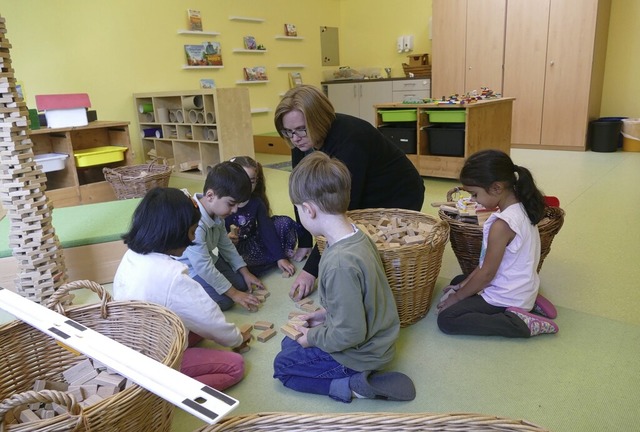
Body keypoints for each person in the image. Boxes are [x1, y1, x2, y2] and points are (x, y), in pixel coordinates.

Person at [273, 152, 416, 403]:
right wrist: (321, 316)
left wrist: (315, 337)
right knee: (291, 342)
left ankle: (354, 385)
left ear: (309, 210)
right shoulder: (355, 235)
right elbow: (359, 301)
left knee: (283, 366)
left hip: (360, 353)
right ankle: (350, 369)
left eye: (298, 210)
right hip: (372, 339)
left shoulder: (340, 263)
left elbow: (350, 333)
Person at [274, 85, 426, 301]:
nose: (295, 138)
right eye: (288, 132)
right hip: (363, 187)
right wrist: (305, 240)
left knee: (368, 245)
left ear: (318, 120)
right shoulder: (301, 138)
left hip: (399, 193)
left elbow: (339, 211)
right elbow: (301, 191)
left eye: (300, 130)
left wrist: (310, 270)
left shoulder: (351, 140)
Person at [113, 187, 251, 390]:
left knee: (199, 327)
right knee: (235, 366)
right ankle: (161, 393)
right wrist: (237, 337)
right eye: (193, 232)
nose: (194, 239)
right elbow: (209, 318)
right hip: (154, 360)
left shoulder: (133, 254)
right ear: (175, 233)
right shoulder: (172, 276)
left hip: (135, 341)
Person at [436, 149, 559, 338]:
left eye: (475, 194)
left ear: (496, 188)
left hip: (506, 295)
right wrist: (461, 289)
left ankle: (519, 323)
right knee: (458, 281)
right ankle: (529, 301)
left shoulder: (502, 225)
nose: (472, 199)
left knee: (447, 319)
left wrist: (457, 298)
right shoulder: (522, 206)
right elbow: (486, 267)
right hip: (519, 286)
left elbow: (487, 273)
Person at [178, 161, 264, 312]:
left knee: (242, 284)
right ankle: (183, 295)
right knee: (226, 301)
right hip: (189, 269)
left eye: (237, 204)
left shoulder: (217, 213)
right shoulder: (194, 222)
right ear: (210, 196)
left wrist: (245, 272)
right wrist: (235, 294)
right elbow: (202, 267)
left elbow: (226, 246)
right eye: (231, 204)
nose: (235, 210)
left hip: (208, 260)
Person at [224, 156, 298, 278]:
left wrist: (280, 257)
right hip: (234, 251)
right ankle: (257, 265)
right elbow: (216, 239)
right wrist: (227, 240)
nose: (247, 186)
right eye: (242, 180)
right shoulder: (223, 202)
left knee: (284, 222)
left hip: (253, 245)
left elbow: (266, 230)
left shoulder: (256, 202)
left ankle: (274, 258)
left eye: (252, 181)